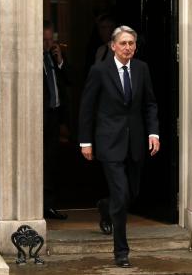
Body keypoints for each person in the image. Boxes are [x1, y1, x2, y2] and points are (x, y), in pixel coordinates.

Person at [78, 26, 160, 267]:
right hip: (109, 142)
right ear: (113, 46)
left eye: (131, 43)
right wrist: (86, 141)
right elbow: (87, 107)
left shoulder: (142, 69)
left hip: (135, 141)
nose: (128, 48)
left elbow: (150, 103)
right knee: (121, 194)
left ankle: (105, 205)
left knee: (129, 194)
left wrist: (153, 133)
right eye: (123, 43)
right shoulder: (99, 71)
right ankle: (121, 251)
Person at [43, 20, 71, 220]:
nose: (47, 43)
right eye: (44, 40)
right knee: (40, 161)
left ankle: (49, 206)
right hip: (38, 116)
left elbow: (70, 80)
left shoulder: (54, 57)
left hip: (54, 116)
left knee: (52, 161)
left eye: (49, 39)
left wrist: (60, 60)